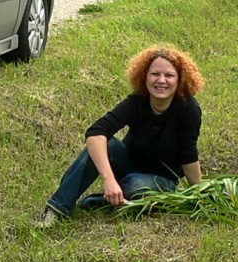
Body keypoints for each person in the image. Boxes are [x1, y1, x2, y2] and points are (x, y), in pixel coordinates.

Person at [36, 45, 205, 228]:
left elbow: (188, 155)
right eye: (155, 74)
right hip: (129, 165)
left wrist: (199, 196)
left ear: (179, 79)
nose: (161, 80)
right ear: (144, 76)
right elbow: (95, 132)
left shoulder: (189, 109)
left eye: (169, 75)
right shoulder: (136, 101)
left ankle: (100, 201)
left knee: (136, 185)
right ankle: (56, 209)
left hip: (162, 180)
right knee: (104, 144)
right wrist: (109, 179)